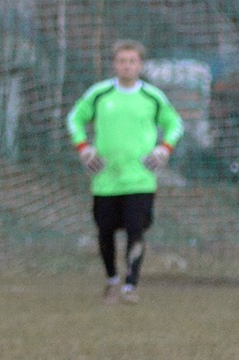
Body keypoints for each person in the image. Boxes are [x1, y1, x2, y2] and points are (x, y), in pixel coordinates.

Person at [67, 39, 183, 304]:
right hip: (105, 179)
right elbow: (75, 118)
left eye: (132, 61)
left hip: (140, 180)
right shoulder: (100, 94)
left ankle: (131, 286)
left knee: (136, 232)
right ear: (114, 64)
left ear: (140, 65)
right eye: (122, 61)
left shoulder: (152, 97)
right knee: (105, 233)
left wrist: (164, 148)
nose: (127, 66)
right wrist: (84, 147)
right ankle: (112, 280)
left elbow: (174, 122)